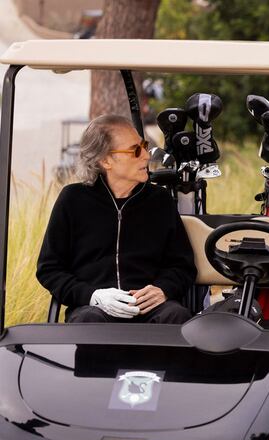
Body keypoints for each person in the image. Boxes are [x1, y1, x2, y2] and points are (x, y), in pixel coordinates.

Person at [37, 115, 196, 324]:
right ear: (105, 160)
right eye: (135, 151)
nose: (146, 156)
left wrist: (163, 289)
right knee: (87, 321)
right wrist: (93, 296)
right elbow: (49, 269)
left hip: (150, 309)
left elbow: (182, 266)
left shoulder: (160, 200)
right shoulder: (73, 200)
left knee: (176, 315)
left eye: (144, 146)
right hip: (94, 309)